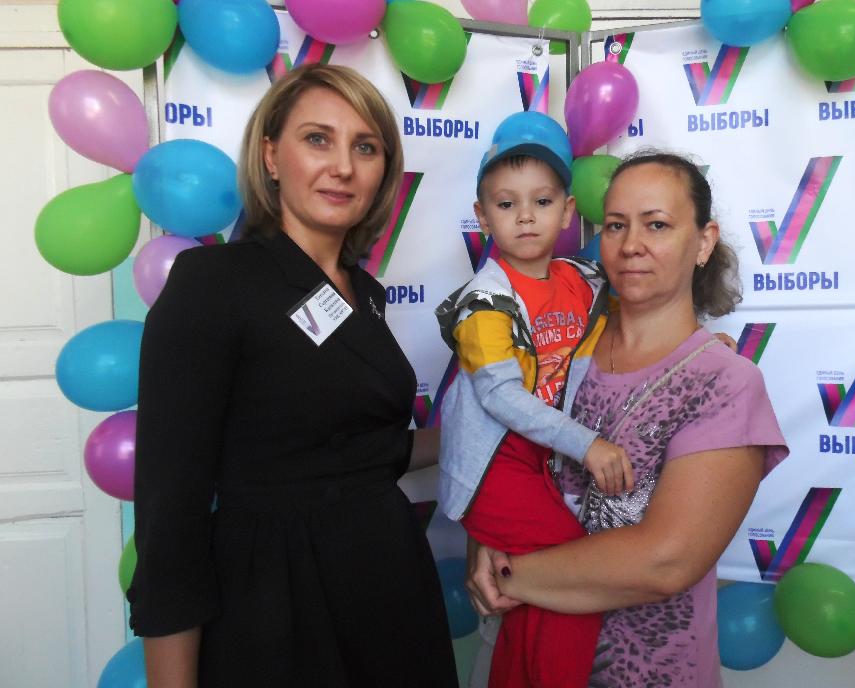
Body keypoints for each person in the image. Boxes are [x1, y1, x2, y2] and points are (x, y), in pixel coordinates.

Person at [128, 64, 459, 687]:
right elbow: (172, 514)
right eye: (317, 139)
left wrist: (486, 428)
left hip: (390, 585)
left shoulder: (364, 293)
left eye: (366, 148)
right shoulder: (214, 283)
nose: (343, 167)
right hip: (277, 598)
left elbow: (358, 451)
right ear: (271, 156)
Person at [467, 151, 789, 688]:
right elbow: (492, 449)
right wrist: (484, 540)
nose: (631, 244)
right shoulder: (560, 347)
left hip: (646, 672)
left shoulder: (725, 381)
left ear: (703, 242)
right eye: (616, 225)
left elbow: (664, 561)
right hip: (518, 649)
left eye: (656, 224)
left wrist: (506, 575)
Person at [434, 111, 635, 688]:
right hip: (496, 465)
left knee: (530, 595)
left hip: (543, 462)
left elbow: (645, 314)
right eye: (506, 204)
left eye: (542, 201)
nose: (525, 215)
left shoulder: (581, 282)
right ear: (482, 216)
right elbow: (500, 395)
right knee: (577, 572)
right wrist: (587, 444)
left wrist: (700, 344)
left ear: (568, 211)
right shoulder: (483, 301)